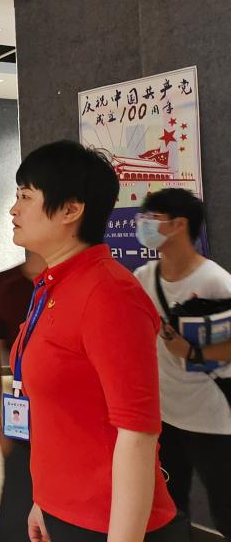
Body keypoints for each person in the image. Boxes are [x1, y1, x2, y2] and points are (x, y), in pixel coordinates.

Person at [9, 140, 185, 542]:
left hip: (110, 523)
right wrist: (45, 501)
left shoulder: (109, 294)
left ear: (71, 210)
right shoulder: (54, 284)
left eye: (25, 197)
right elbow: (64, 416)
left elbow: (137, 433)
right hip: (64, 510)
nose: (14, 209)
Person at [132, 189, 231, 538]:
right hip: (164, 416)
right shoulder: (144, 277)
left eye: (152, 218)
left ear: (179, 225)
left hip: (212, 418)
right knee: (170, 508)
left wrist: (192, 353)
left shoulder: (215, 281)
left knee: (225, 507)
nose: (142, 224)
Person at [0, 249, 46, 542]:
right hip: (23, 431)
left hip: (75, 436)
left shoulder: (83, 285)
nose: (15, 226)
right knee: (14, 527)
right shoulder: (2, 285)